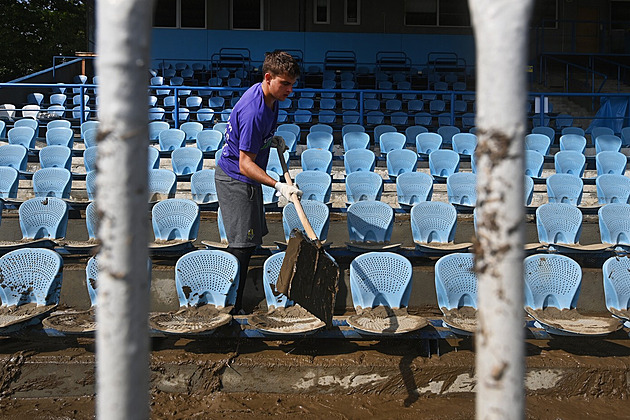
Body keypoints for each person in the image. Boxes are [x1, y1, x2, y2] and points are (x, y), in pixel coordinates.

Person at [215, 51, 303, 314]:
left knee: (250, 241)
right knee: (240, 246)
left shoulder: (269, 96)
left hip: (246, 176)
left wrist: (270, 140)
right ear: (268, 77)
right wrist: (279, 185)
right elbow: (245, 163)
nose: (290, 90)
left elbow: (253, 140)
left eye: (292, 84)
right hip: (236, 178)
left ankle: (235, 302)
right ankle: (231, 306)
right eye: (285, 84)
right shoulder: (254, 110)